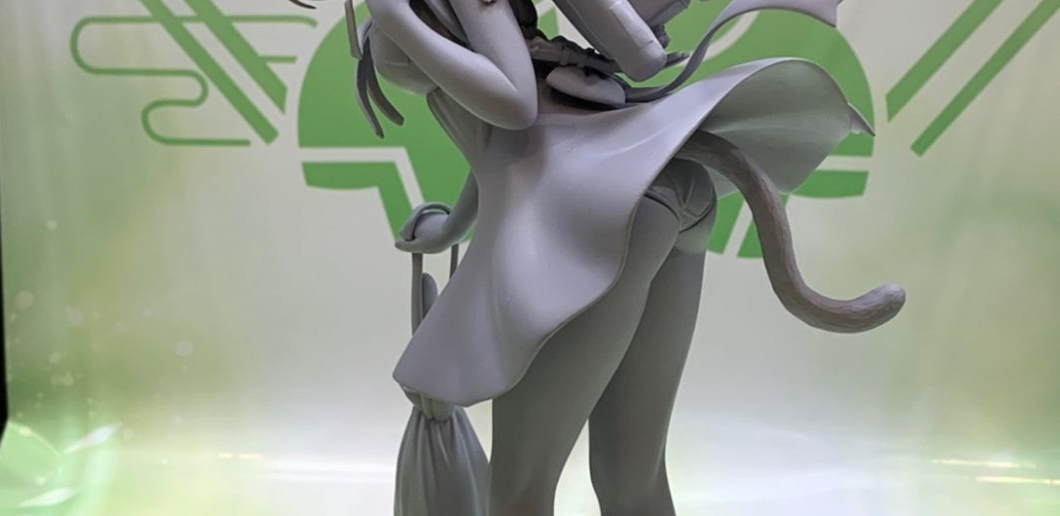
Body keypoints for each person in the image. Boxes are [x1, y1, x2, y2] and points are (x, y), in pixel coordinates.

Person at [333, 0, 907, 513]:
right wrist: (451, 227)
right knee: (631, 480)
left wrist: (398, 19)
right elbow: (510, 144)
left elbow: (514, 104)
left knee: (517, 495)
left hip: (597, 206)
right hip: (651, 187)